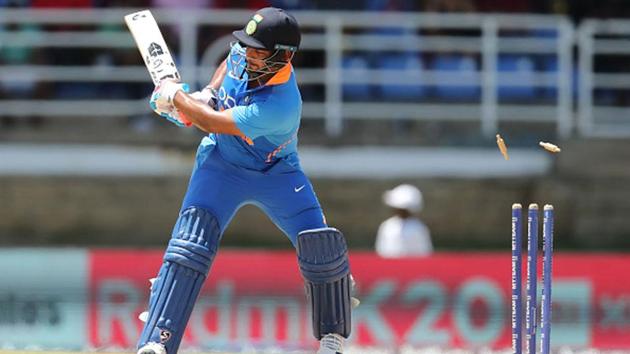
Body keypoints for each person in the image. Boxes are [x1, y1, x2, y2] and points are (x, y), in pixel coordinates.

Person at [138, 7, 351, 354]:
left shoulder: (280, 104)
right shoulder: (245, 54)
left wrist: (176, 97)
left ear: (283, 56)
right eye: (247, 46)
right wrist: (206, 92)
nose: (248, 54)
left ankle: (333, 336)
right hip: (221, 163)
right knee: (190, 246)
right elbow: (228, 64)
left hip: (277, 173)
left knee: (321, 247)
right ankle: (156, 342)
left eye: (258, 50)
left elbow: (211, 122)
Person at [375, 184, 433, 257]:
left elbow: (425, 252)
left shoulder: (419, 228)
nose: (401, 211)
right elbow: (381, 251)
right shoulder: (387, 226)